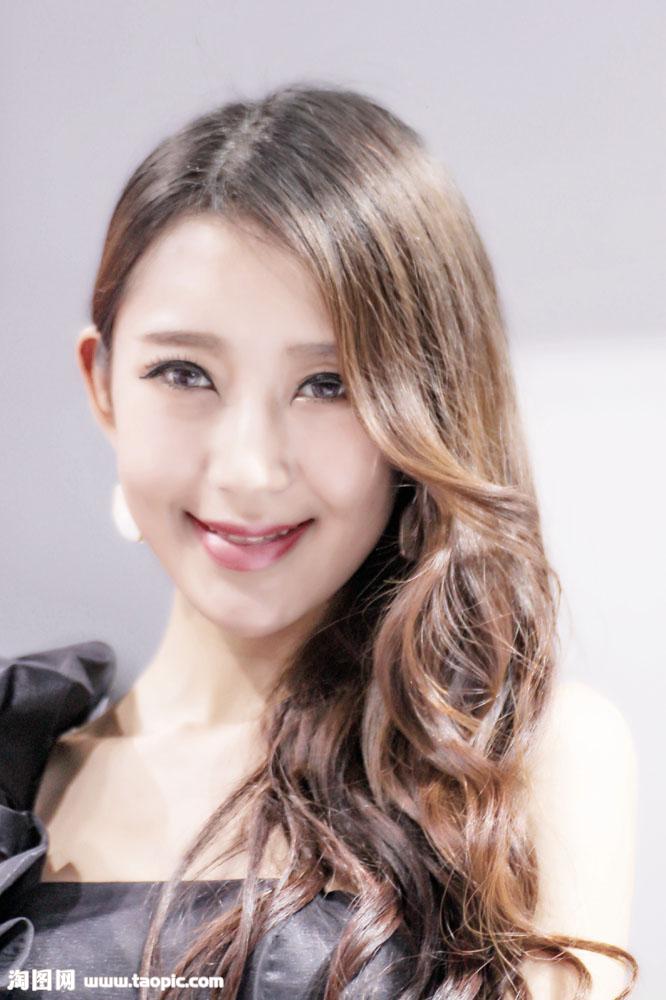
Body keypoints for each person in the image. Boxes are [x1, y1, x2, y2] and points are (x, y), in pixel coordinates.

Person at [0, 82, 638, 999]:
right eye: (184, 372)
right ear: (102, 385)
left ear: (426, 406)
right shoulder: (20, 779)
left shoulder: (522, 773)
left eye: (329, 384)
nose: (250, 469)